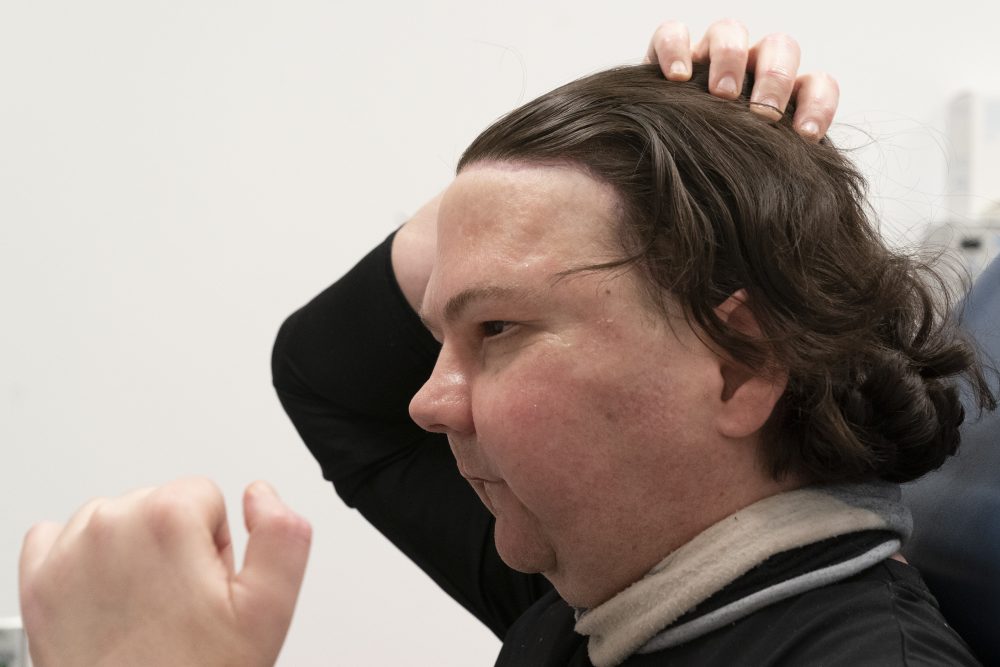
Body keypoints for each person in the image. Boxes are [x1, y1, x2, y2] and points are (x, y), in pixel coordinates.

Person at [18, 20, 993, 667]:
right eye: (443, 333)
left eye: (495, 328)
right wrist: (630, 133)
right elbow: (332, 373)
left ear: (736, 363)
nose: (428, 399)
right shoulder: (609, 587)